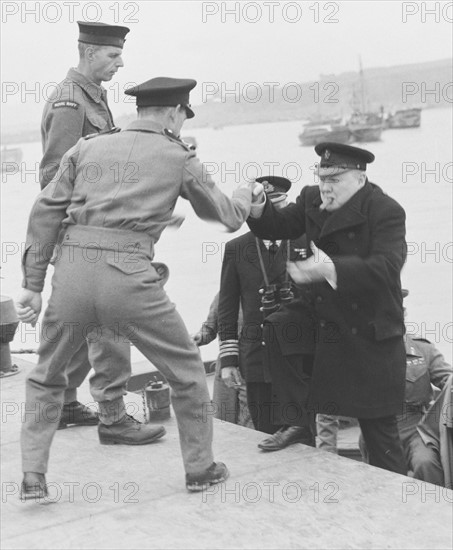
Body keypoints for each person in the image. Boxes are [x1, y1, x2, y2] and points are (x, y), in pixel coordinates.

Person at [17, 76, 257, 498]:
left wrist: (33, 284)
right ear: (174, 113)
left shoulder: (88, 146)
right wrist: (244, 196)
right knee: (186, 371)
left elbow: (45, 210)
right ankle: (200, 469)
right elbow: (226, 218)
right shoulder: (176, 154)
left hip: (71, 275)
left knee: (46, 376)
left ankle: (33, 477)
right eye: (183, 116)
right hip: (128, 278)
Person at [248, 142, 408, 475]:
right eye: (322, 177)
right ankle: (295, 421)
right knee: (278, 324)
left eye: (334, 180)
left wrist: (329, 268)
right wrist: (259, 205)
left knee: (381, 438)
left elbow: (387, 268)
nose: (325, 187)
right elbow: (277, 226)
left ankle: (395, 507)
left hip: (370, 335)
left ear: (359, 179)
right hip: (326, 322)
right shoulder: (311, 200)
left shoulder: (386, 211)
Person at [39, 21, 130, 430]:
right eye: (113, 55)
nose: (120, 63)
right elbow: (55, 175)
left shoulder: (93, 96)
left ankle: (62, 402)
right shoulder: (70, 102)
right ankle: (112, 414)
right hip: (83, 230)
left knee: (80, 319)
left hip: (97, 227)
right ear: (90, 52)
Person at [218, 176, 311, 441]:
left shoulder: (306, 242)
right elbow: (226, 309)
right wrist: (229, 361)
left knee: (303, 437)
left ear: (287, 204)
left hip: (298, 357)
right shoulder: (236, 248)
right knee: (264, 432)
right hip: (257, 357)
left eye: (278, 204)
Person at [192, 293, 253, 428]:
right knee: (223, 420)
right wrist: (200, 336)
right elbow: (210, 327)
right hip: (225, 369)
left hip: (251, 370)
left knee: (250, 424)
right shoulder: (223, 295)